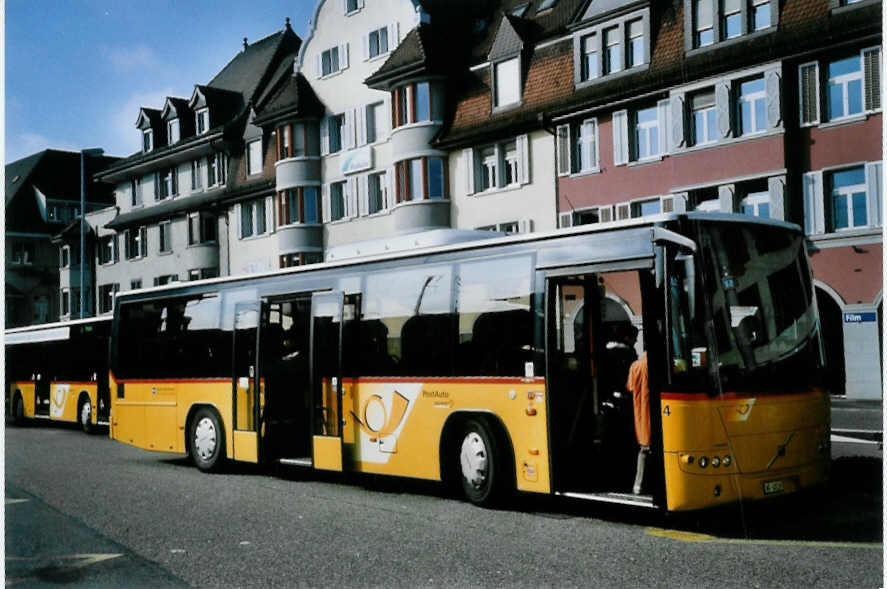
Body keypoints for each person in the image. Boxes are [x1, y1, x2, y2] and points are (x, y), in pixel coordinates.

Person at [626, 351, 650, 495]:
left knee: (644, 448)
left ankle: (638, 485)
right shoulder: (657, 366)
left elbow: (630, 387)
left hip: (640, 413)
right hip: (652, 413)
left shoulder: (635, 366)